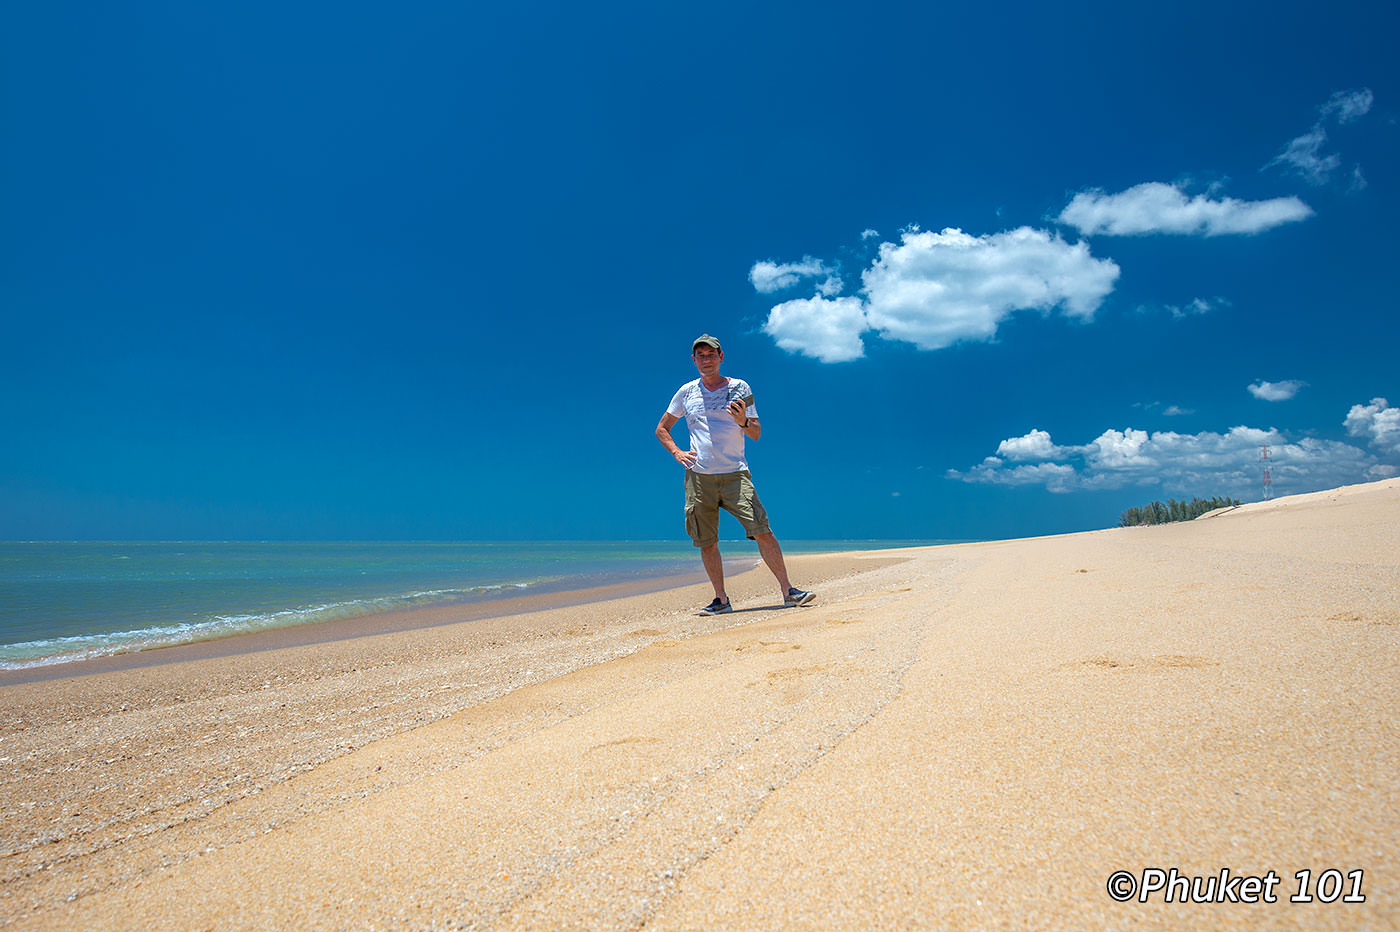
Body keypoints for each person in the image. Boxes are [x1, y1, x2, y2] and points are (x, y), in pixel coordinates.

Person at [655, 333, 815, 614]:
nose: (706, 360)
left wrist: (742, 420)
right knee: (707, 541)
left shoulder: (740, 387)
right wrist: (677, 453)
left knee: (762, 530)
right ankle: (721, 600)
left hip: (735, 474)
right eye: (701, 356)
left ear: (721, 357)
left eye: (711, 355)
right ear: (694, 360)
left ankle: (789, 591)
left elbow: (755, 433)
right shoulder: (686, 392)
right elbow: (662, 428)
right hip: (698, 477)